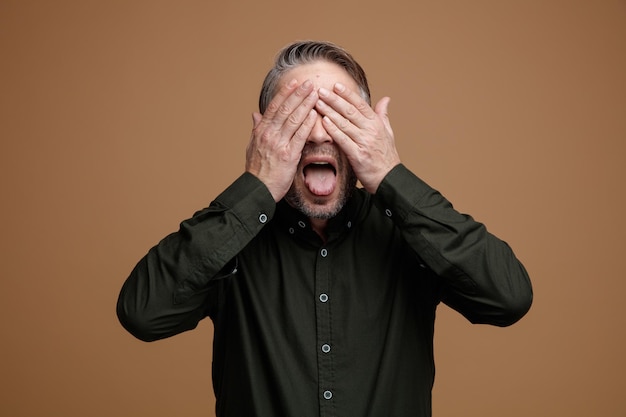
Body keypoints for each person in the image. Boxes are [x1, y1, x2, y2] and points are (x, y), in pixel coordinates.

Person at [117, 40, 533, 417]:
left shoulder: (409, 232)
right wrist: (255, 188)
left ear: (371, 127)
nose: (318, 132)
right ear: (264, 132)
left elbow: (508, 298)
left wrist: (390, 175)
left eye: (338, 114)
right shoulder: (232, 237)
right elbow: (142, 314)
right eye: (296, 117)